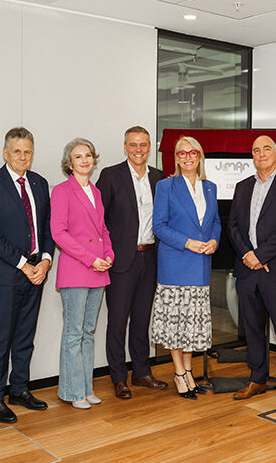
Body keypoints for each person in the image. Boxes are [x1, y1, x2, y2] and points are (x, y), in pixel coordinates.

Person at [0, 127, 53, 424]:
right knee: (3, 336)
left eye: (28, 151)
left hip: (37, 271)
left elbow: (47, 227)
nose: (23, 157)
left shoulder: (40, 182)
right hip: (7, 273)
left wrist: (45, 261)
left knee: (25, 336)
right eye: (17, 151)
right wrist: (23, 264)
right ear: (5, 153)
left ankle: (19, 388)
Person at [228, 135, 276, 402]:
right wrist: (248, 255)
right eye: (256, 150)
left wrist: (260, 255)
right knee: (252, 326)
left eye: (266, 149)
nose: (261, 154)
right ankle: (257, 378)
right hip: (247, 269)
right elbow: (233, 227)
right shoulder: (242, 186)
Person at [97, 126, 167, 399]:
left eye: (144, 145)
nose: (139, 150)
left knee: (142, 319)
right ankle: (118, 377)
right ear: (125, 147)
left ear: (150, 148)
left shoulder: (159, 178)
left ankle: (141, 372)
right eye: (133, 145)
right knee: (117, 321)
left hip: (150, 257)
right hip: (121, 259)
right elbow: (99, 220)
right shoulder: (110, 175)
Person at [151, 136, 220, 399]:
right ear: (176, 158)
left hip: (201, 265)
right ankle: (179, 372)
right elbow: (159, 226)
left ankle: (189, 371)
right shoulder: (166, 186)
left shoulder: (210, 187)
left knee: (192, 325)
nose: (188, 157)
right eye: (182, 153)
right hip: (176, 264)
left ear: (200, 156)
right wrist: (188, 243)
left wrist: (214, 240)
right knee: (175, 323)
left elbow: (215, 222)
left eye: (192, 152)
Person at [50, 138, 113, 409]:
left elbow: (103, 231)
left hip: (99, 270)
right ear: (69, 163)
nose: (85, 160)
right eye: (78, 156)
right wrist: (91, 259)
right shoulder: (62, 191)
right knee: (74, 333)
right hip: (77, 269)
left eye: (88, 155)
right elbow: (58, 233)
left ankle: (86, 388)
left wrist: (109, 254)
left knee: (89, 332)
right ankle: (72, 391)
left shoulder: (96, 192)